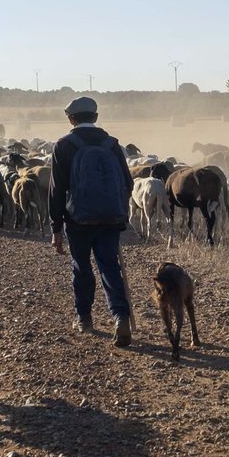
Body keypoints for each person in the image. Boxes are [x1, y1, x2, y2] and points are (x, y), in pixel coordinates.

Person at [49, 96, 134, 346]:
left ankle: (84, 318)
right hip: (110, 218)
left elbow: (56, 190)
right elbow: (128, 183)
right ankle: (120, 317)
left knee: (82, 268)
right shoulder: (112, 144)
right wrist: (118, 211)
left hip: (78, 220)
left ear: (70, 119)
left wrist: (56, 227)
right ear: (95, 117)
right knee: (110, 267)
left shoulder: (64, 145)